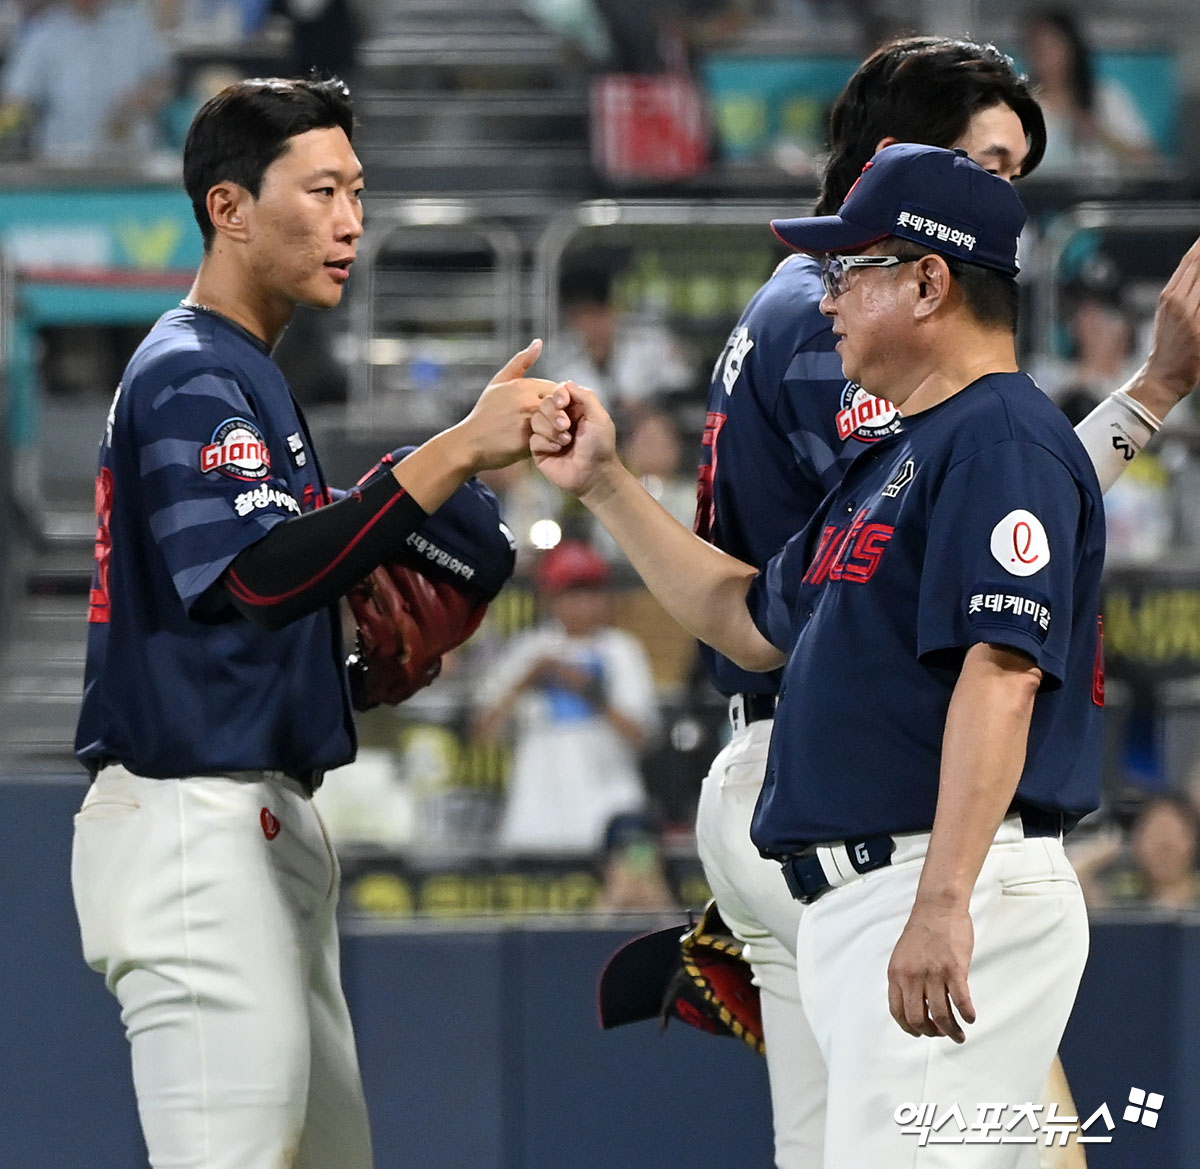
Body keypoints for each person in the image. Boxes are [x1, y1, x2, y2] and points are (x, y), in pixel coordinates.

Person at [529, 142, 1106, 1165]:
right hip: (868, 892)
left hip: (937, 878)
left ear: (930, 280)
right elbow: (748, 614)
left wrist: (941, 903)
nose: (825, 293)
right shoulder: (902, 452)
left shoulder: (1001, 438)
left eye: (852, 268)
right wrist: (610, 484)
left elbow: (1002, 672)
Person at [686, 34, 1200, 1169]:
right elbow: (977, 522)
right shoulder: (836, 328)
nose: (1007, 194)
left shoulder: (807, 314)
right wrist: (1147, 398)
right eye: (988, 162)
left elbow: (976, 488)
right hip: (863, 790)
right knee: (1010, 1130)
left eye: (1018, 169)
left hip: (802, 774)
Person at [69, 77, 554, 1169]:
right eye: (322, 189)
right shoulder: (192, 367)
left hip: (253, 816)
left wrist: (340, 665)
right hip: (194, 820)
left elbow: (265, 599)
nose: (351, 220)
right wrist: (451, 457)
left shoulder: (243, 369)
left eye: (358, 191)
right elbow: (255, 576)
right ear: (229, 208)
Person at [474, 539, 657, 853]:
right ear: (550, 599)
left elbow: (643, 736)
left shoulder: (622, 650)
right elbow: (483, 733)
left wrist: (588, 689)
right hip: (537, 815)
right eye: (570, 593)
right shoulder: (530, 649)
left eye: (590, 591)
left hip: (611, 805)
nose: (581, 603)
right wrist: (526, 680)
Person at [0, 0, 174, 162]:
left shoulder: (135, 25)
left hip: (130, 162)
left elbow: (163, 83)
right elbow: (18, 100)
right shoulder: (44, 33)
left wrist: (140, 101)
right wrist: (11, 117)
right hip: (63, 163)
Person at [1023, 8, 1158, 176]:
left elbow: (1147, 160)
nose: (1045, 58)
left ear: (1072, 50)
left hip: (1102, 197)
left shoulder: (1107, 97)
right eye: (1037, 49)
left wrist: (1100, 133)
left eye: (1053, 48)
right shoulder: (1020, 103)